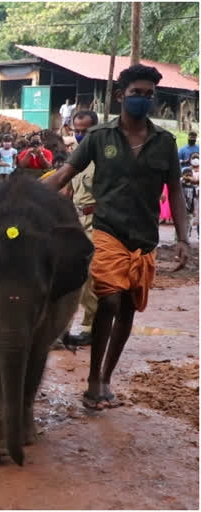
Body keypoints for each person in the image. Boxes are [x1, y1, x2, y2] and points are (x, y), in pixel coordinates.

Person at [45, 64, 189, 410]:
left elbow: (175, 191)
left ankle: (106, 378)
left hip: (144, 237)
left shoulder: (165, 143)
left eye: (149, 94)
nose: (143, 99)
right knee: (109, 298)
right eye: (137, 92)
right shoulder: (98, 138)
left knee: (128, 308)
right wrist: (21, 196)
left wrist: (183, 238)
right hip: (107, 231)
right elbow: (64, 173)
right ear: (121, 95)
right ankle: (93, 378)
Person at [59, 110, 100, 348]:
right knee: (68, 276)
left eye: (86, 131)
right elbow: (67, 191)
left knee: (90, 278)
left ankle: (90, 327)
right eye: (77, 131)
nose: (81, 135)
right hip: (76, 224)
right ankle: (61, 329)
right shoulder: (74, 158)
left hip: (98, 224)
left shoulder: (103, 160)